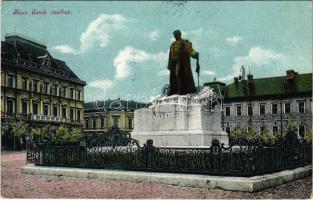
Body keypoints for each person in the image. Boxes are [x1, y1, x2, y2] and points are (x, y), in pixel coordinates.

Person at [167, 30, 199, 95]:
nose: (175, 36)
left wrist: (194, 54)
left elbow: (189, 49)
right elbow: (170, 54)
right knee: (172, 76)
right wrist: (169, 64)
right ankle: (173, 91)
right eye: (174, 35)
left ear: (179, 35)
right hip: (173, 61)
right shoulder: (173, 44)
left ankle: (180, 90)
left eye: (176, 35)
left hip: (180, 61)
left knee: (179, 74)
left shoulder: (184, 42)